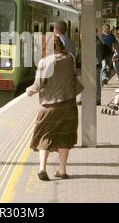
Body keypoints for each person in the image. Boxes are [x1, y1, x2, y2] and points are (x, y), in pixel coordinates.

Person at [26, 36, 81, 181]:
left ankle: (42, 169)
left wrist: (29, 91)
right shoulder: (70, 59)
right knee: (65, 136)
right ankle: (62, 170)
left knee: (45, 135)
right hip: (69, 105)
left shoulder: (44, 62)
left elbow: (38, 85)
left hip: (49, 106)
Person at [96, 31, 104, 105]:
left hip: (96, 66)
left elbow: (99, 56)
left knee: (97, 82)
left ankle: (97, 99)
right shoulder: (94, 42)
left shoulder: (98, 43)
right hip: (93, 65)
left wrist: (98, 63)